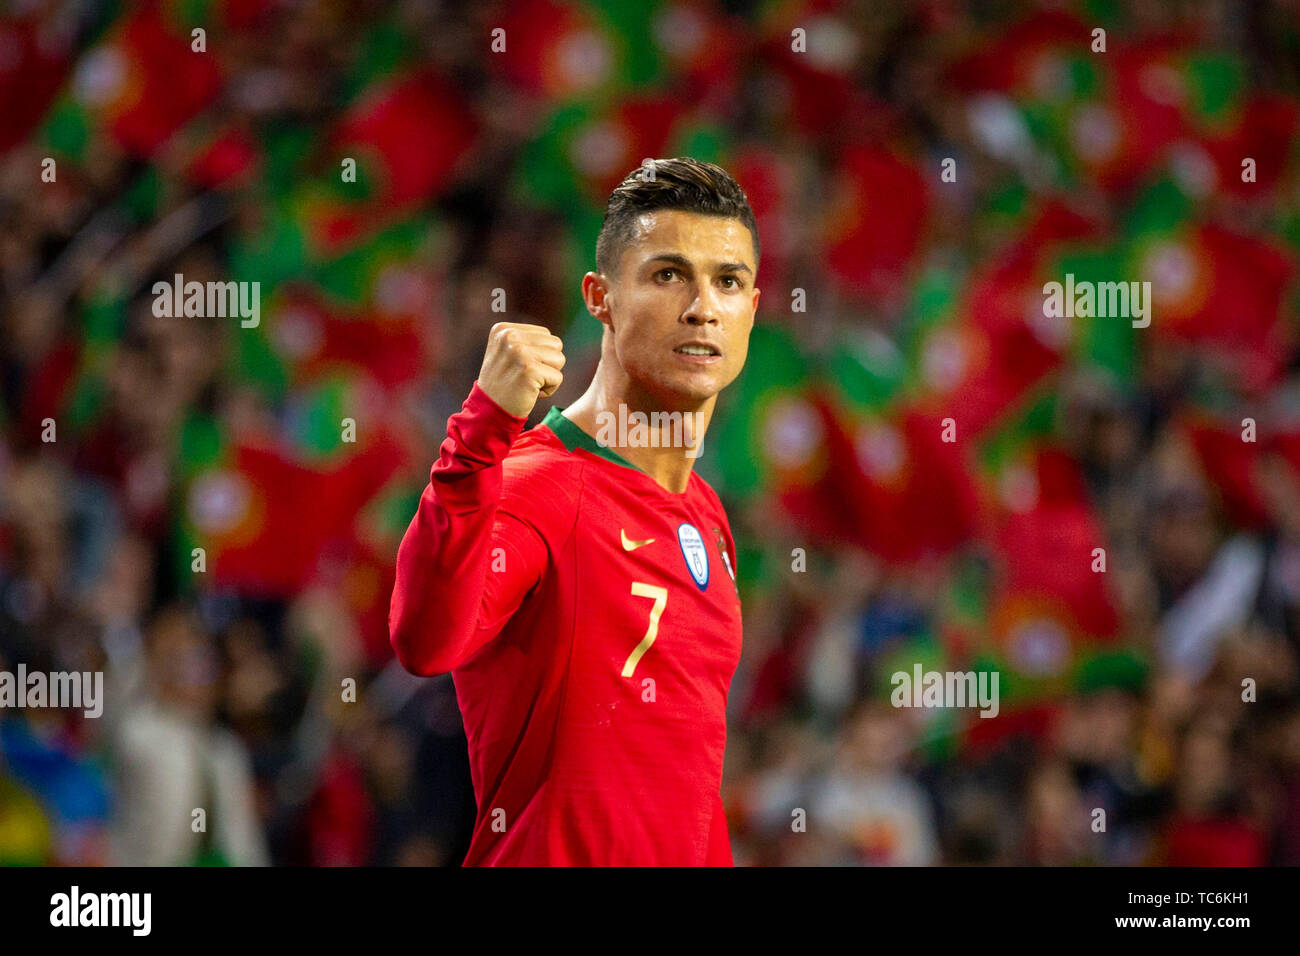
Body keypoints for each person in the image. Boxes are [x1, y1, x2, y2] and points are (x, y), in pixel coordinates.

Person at [389, 157, 761, 865]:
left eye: (728, 282)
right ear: (600, 298)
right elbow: (426, 641)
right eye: (667, 274)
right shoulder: (539, 484)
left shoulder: (707, 517)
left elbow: (684, 791)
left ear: (752, 309)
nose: (701, 307)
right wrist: (477, 438)